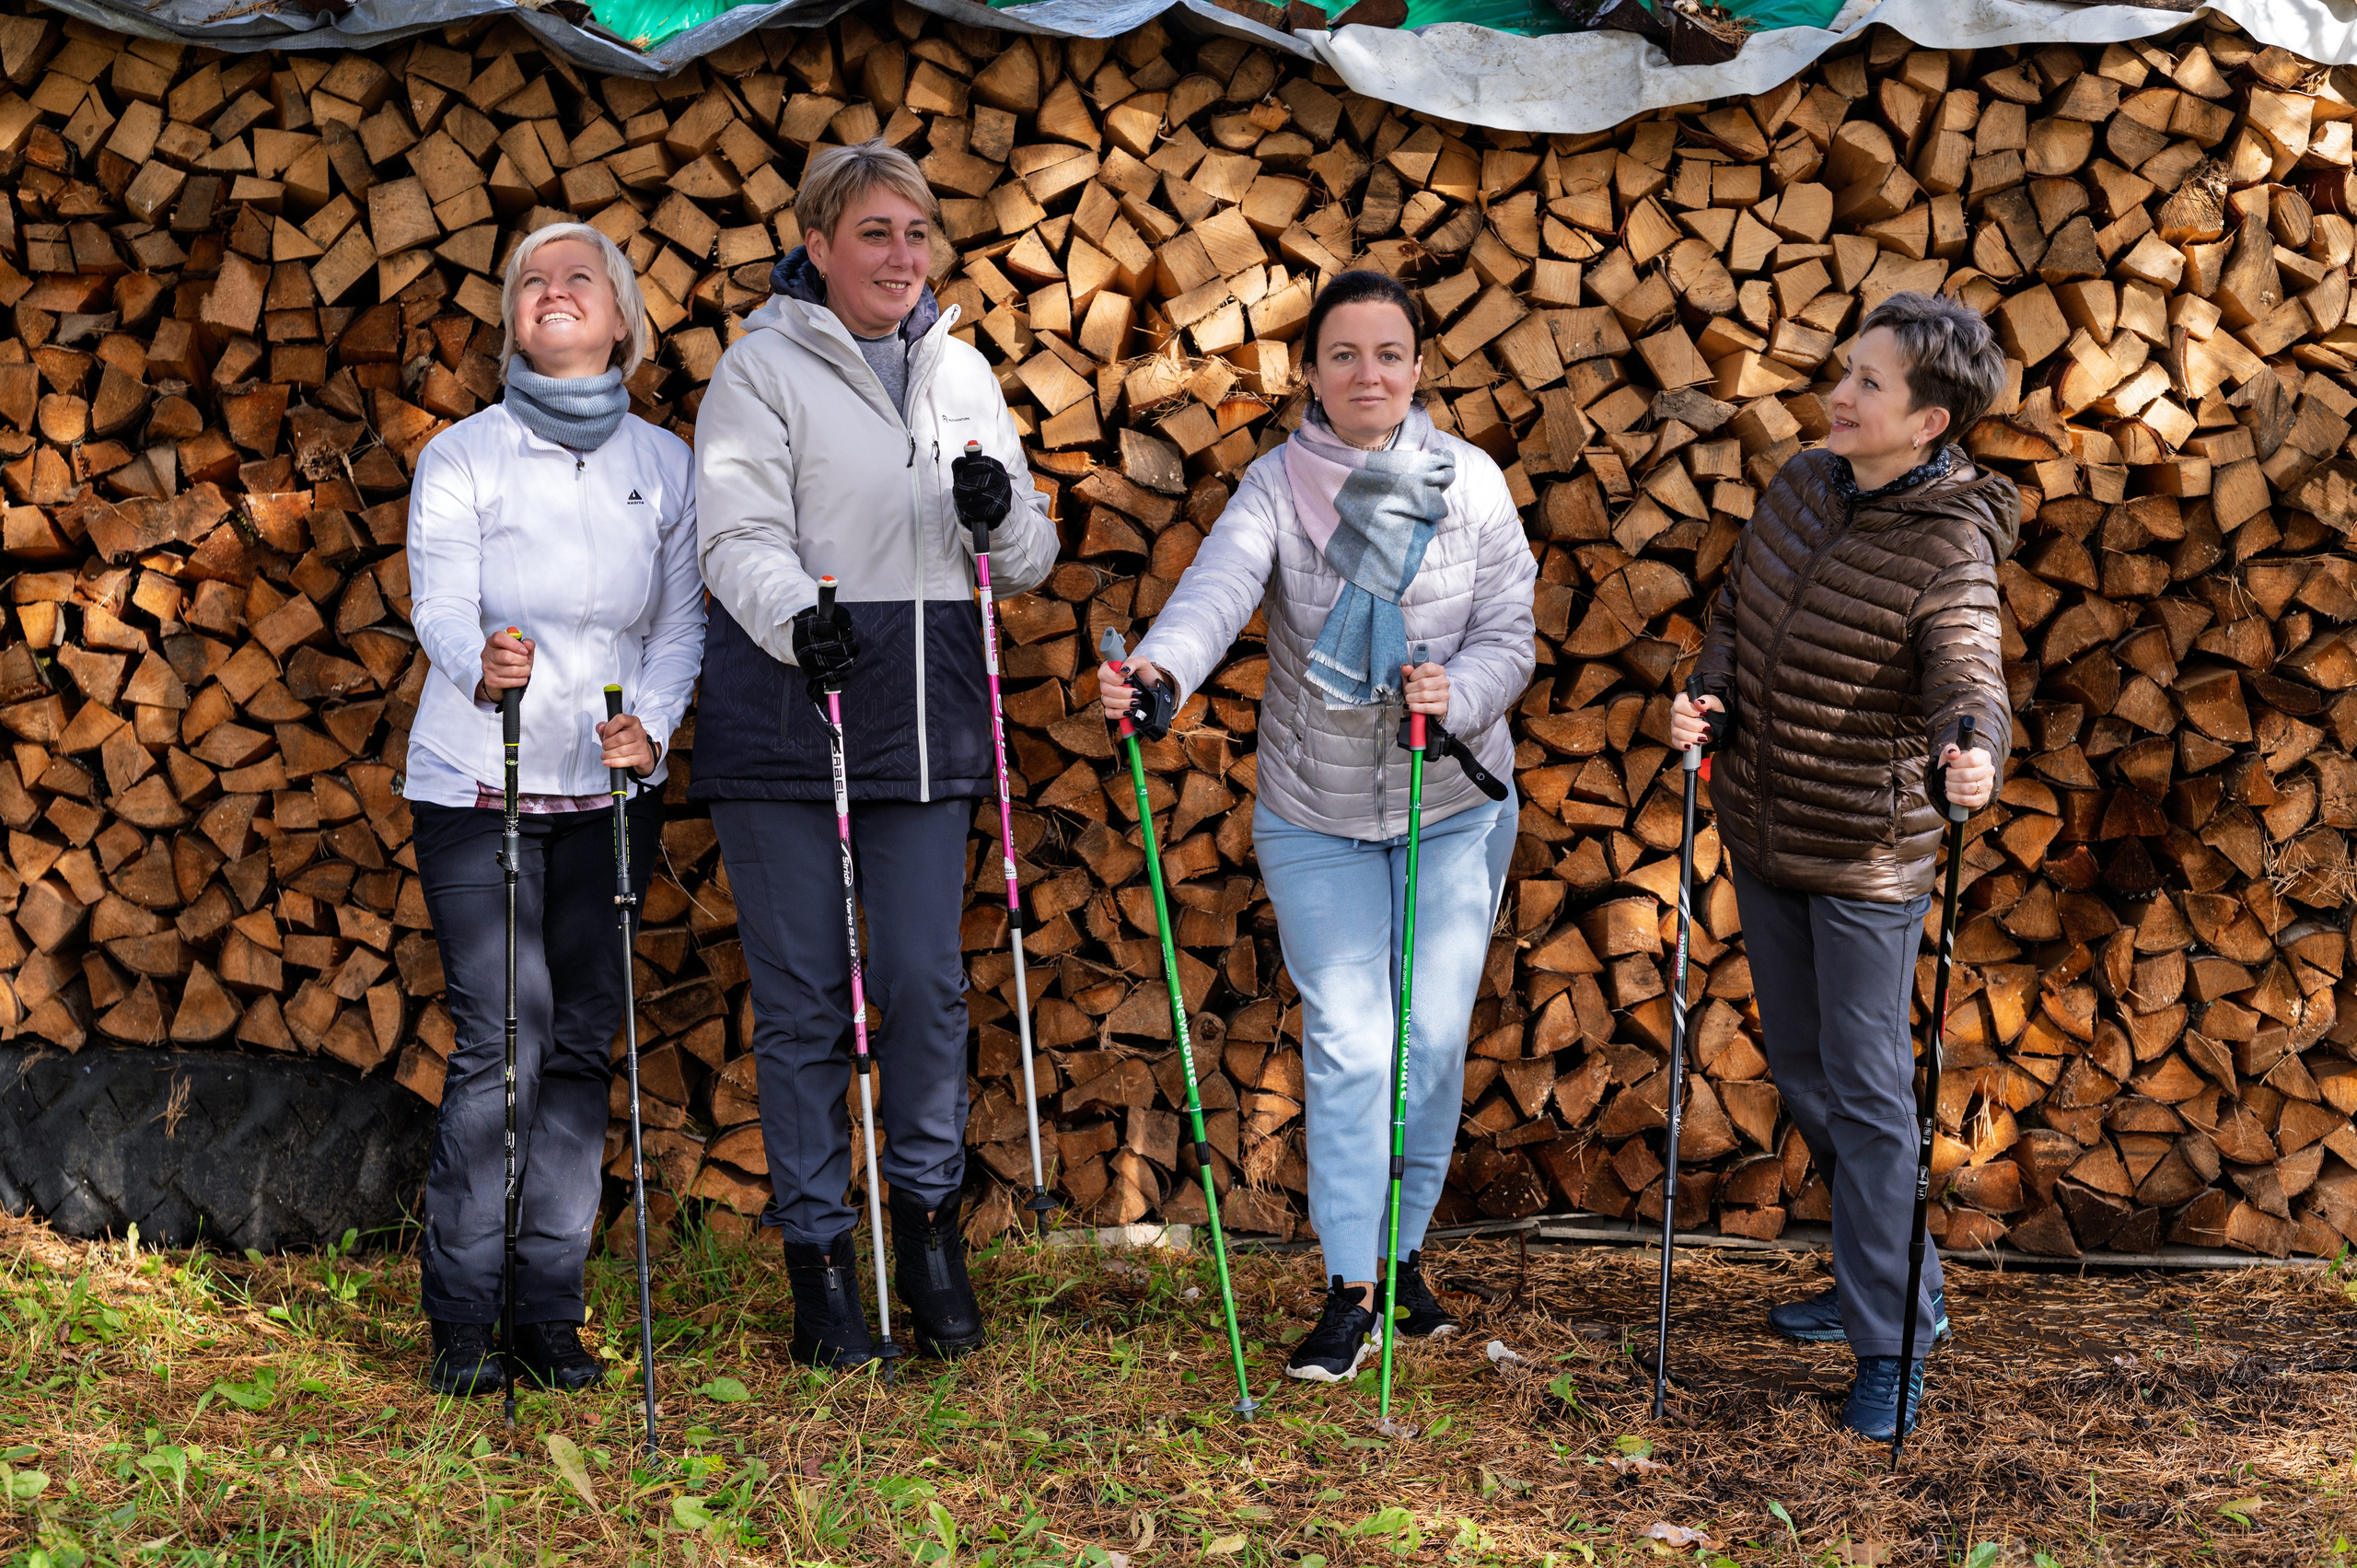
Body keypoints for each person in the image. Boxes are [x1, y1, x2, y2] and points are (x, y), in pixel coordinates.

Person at [1095, 270, 1536, 1384]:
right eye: (1343, 354)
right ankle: (1349, 1287)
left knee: (1428, 1044)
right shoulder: (1276, 487)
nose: (1367, 374)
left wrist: (1460, 691)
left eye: (1388, 353)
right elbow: (1215, 592)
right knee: (1351, 1039)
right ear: (1311, 372)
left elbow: (1510, 634)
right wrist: (1159, 674)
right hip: (1316, 810)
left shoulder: (1471, 483)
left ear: (1418, 366)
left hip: (1450, 806)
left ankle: (1402, 1258)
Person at [691, 140, 1058, 1368]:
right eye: (874, 233)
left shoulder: (961, 371)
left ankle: (929, 1230)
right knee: (805, 998)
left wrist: (1003, 517)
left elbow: (1027, 552)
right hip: (793, 705)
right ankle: (819, 1259)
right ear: (819, 242)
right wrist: (798, 614)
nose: (901, 256)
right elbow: (733, 531)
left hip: (926, 711)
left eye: (915, 231)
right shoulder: (759, 369)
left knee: (922, 982)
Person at [1672, 289, 2013, 1440]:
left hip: (1866, 856)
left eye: (1869, 382)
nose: (1839, 393)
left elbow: (1968, 675)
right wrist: (1709, 693)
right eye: (1846, 369)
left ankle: (1893, 1342)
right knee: (1806, 1072)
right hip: (1765, 826)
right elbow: (1736, 613)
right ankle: (1889, 1280)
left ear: (1928, 421)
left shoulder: (1948, 545)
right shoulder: (1803, 484)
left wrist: (1972, 749)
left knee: (1866, 1098)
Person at [404, 222, 704, 1396]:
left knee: (577, 1044)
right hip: (482, 780)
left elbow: (678, 623)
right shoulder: (463, 454)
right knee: (503, 1043)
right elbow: (439, 599)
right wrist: (480, 661)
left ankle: (548, 1312)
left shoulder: (666, 464)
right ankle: (463, 1318)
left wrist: (655, 727)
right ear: (512, 320)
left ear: (622, 318)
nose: (553, 290)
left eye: (581, 277)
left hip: (605, 792)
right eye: (532, 279)